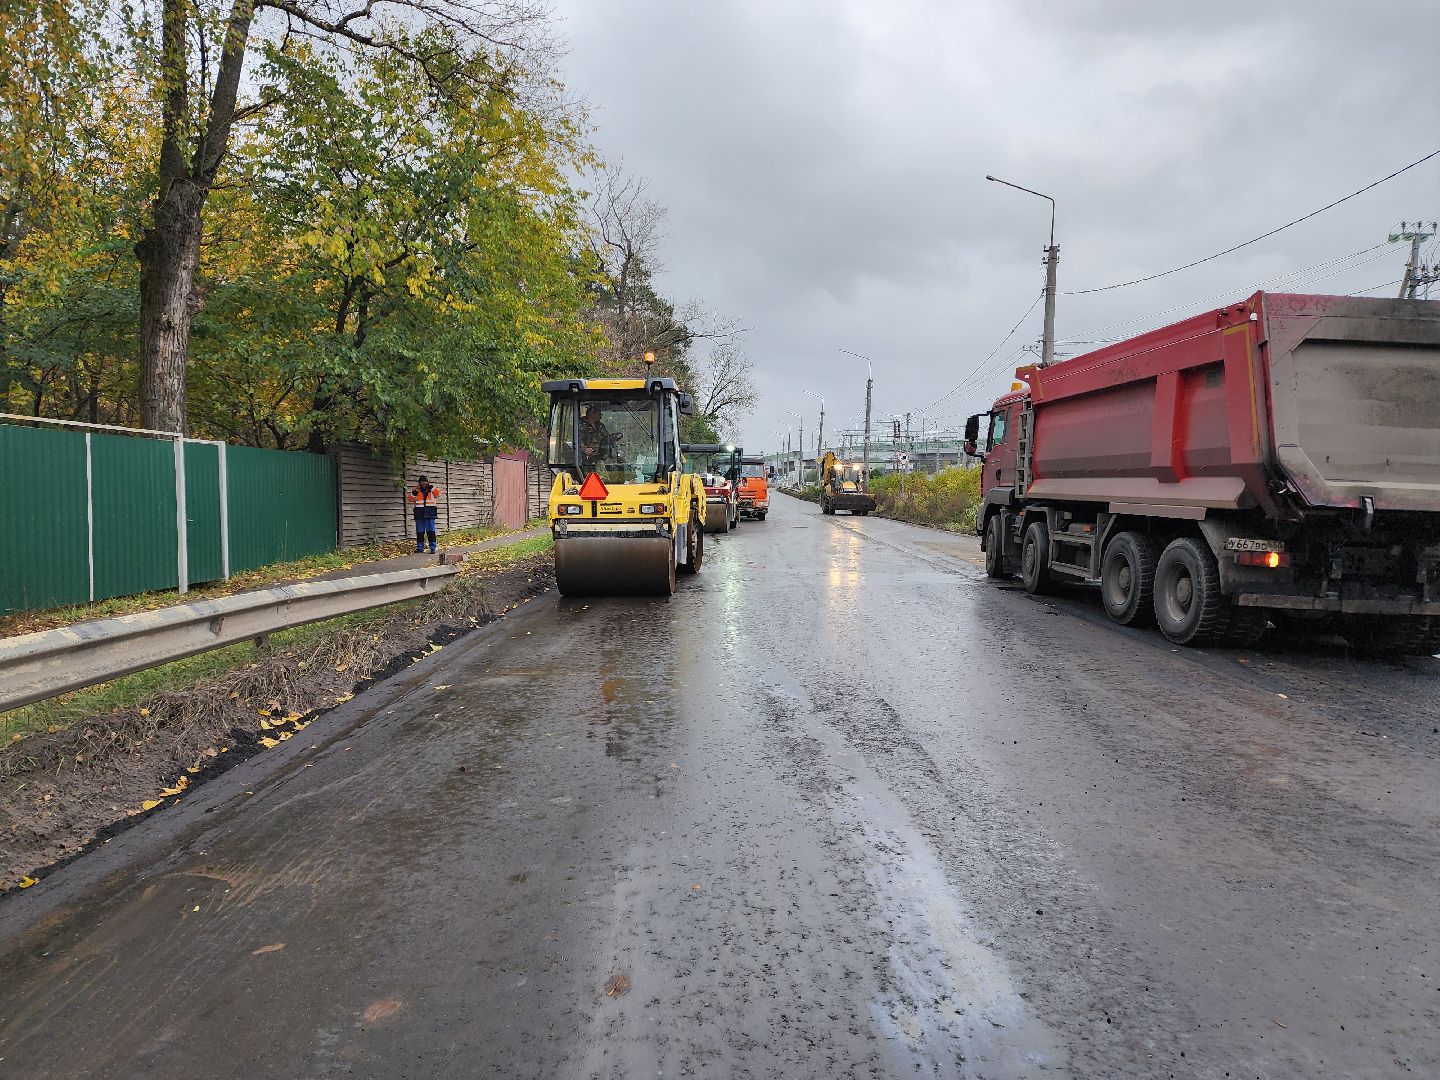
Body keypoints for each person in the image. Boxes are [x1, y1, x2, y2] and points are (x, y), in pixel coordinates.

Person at [407, 474, 442, 554]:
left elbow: (438, 494)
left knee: (431, 532)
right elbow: (409, 499)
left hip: (430, 514)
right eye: (421, 482)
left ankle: (433, 548)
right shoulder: (416, 491)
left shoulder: (432, 490)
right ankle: (420, 548)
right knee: (420, 532)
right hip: (419, 514)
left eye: (424, 482)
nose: (422, 483)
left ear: (427, 482)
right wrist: (414, 492)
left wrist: (432, 488)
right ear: (419, 483)